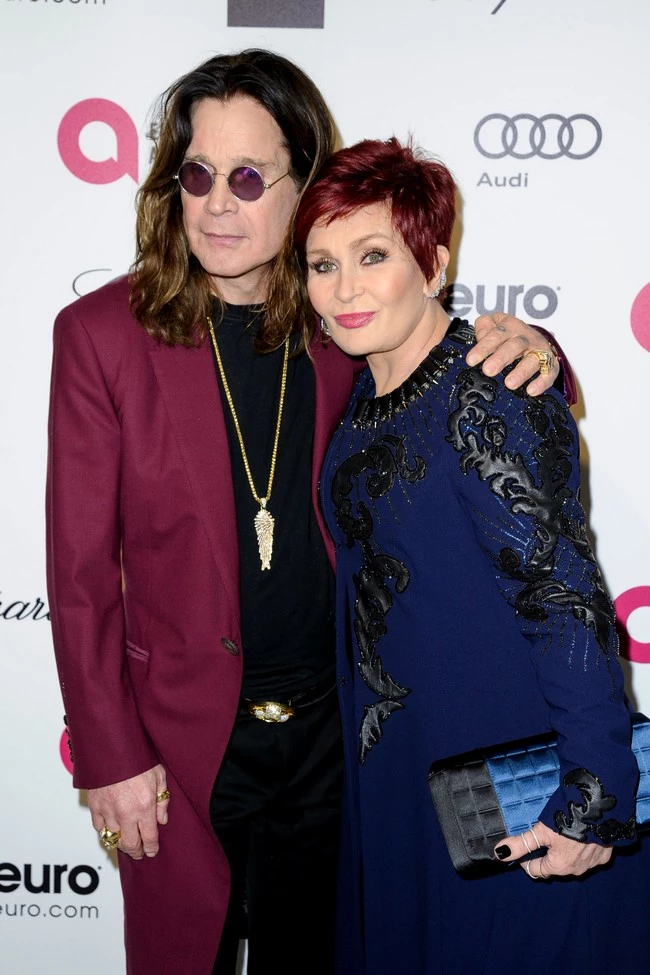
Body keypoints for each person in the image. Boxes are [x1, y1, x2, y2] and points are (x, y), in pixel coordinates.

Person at [46, 51, 567, 975]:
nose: (216, 203)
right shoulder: (100, 336)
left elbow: (458, 371)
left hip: (341, 739)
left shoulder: (343, 325)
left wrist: (542, 351)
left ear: (303, 185)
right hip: (179, 747)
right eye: (196, 174)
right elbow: (80, 572)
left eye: (248, 178)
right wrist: (109, 755)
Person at [292, 135, 650, 975]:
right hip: (408, 775)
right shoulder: (362, 390)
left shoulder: (489, 390)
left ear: (433, 260)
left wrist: (592, 795)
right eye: (321, 263)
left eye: (371, 255)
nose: (344, 288)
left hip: (511, 778)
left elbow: (563, 597)